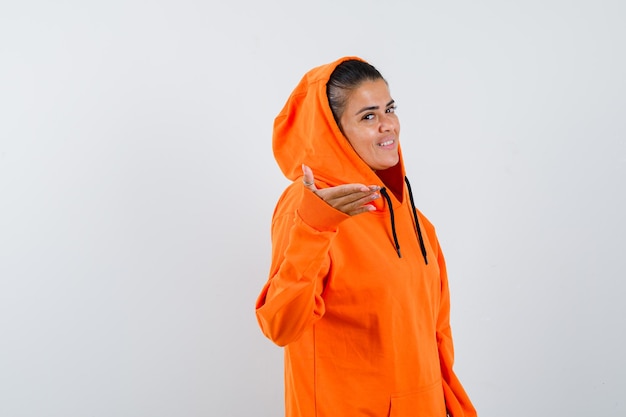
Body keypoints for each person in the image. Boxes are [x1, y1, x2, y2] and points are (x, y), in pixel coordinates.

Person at [255, 56, 477, 417]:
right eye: (368, 116)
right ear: (333, 131)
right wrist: (316, 227)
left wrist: (454, 406)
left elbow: (436, 337)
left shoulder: (418, 224)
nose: (388, 126)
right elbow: (280, 325)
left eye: (389, 109)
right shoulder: (307, 205)